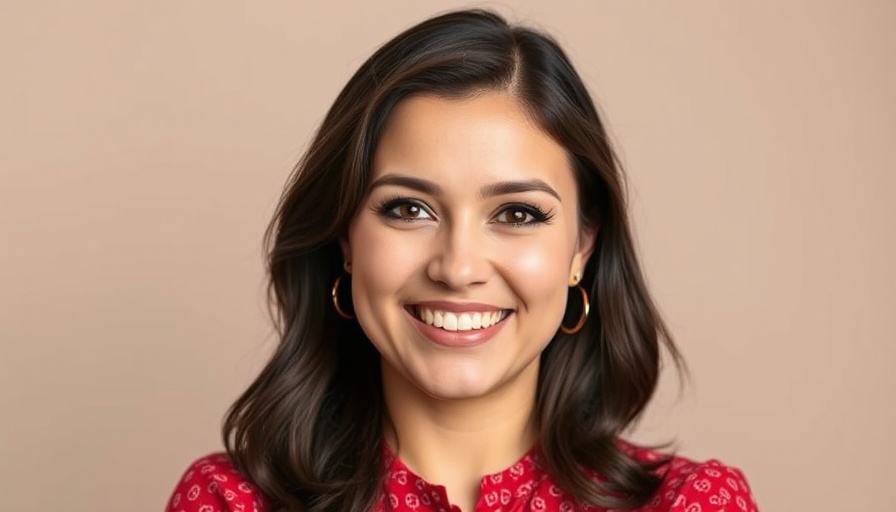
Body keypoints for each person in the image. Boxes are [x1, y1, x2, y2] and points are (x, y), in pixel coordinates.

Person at [166, 9, 757, 512]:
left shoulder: (693, 503)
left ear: (583, 246)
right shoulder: (228, 501)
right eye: (409, 209)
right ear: (345, 238)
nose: (458, 266)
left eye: (517, 214)